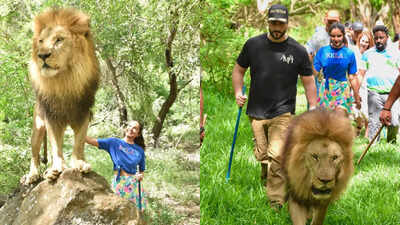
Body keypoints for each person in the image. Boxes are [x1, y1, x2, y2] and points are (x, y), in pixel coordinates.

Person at [232, 4, 317, 210]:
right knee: (263, 154)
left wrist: (313, 106)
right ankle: (266, 173)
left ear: (287, 23)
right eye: (273, 23)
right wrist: (238, 92)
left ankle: (276, 200)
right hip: (257, 111)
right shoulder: (253, 45)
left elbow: (308, 81)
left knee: (277, 155)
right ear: (268, 22)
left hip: (283, 111)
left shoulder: (298, 51)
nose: (277, 27)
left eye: (281, 23)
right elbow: (238, 70)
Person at [85, 120, 147, 210]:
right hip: (119, 183)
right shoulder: (113, 142)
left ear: (138, 134)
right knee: (117, 211)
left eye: (135, 128)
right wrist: (78, 130)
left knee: (134, 215)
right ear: (126, 128)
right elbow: (91, 141)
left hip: (134, 185)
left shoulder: (139, 150)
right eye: (129, 126)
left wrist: (141, 175)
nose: (131, 129)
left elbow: (142, 170)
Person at [359, 25, 400, 143]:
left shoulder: (395, 53)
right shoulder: (367, 54)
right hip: (374, 92)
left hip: (392, 92)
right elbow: (361, 73)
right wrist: (356, 91)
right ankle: (373, 146)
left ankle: (391, 142)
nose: (378, 41)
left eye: (381, 38)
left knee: (394, 122)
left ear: (387, 37)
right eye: (376, 38)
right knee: (374, 122)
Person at [313, 23, 360, 117]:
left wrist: (356, 95)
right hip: (326, 88)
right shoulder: (323, 51)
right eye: (333, 36)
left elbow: (352, 77)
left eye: (339, 36)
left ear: (343, 35)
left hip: (342, 89)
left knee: (340, 118)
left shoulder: (349, 53)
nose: (336, 39)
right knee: (326, 121)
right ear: (329, 36)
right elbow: (314, 72)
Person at [305, 9, 340, 95]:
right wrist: (313, 73)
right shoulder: (318, 35)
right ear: (325, 20)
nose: (332, 24)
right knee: (318, 106)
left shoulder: (343, 35)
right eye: (330, 21)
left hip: (338, 80)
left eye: (334, 22)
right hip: (321, 80)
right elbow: (308, 52)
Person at [354, 30, 374, 137]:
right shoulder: (353, 52)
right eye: (363, 41)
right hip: (355, 83)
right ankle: (358, 127)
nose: (364, 43)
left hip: (366, 83)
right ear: (359, 40)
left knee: (366, 108)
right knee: (356, 109)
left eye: (366, 42)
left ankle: (367, 133)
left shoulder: (370, 54)